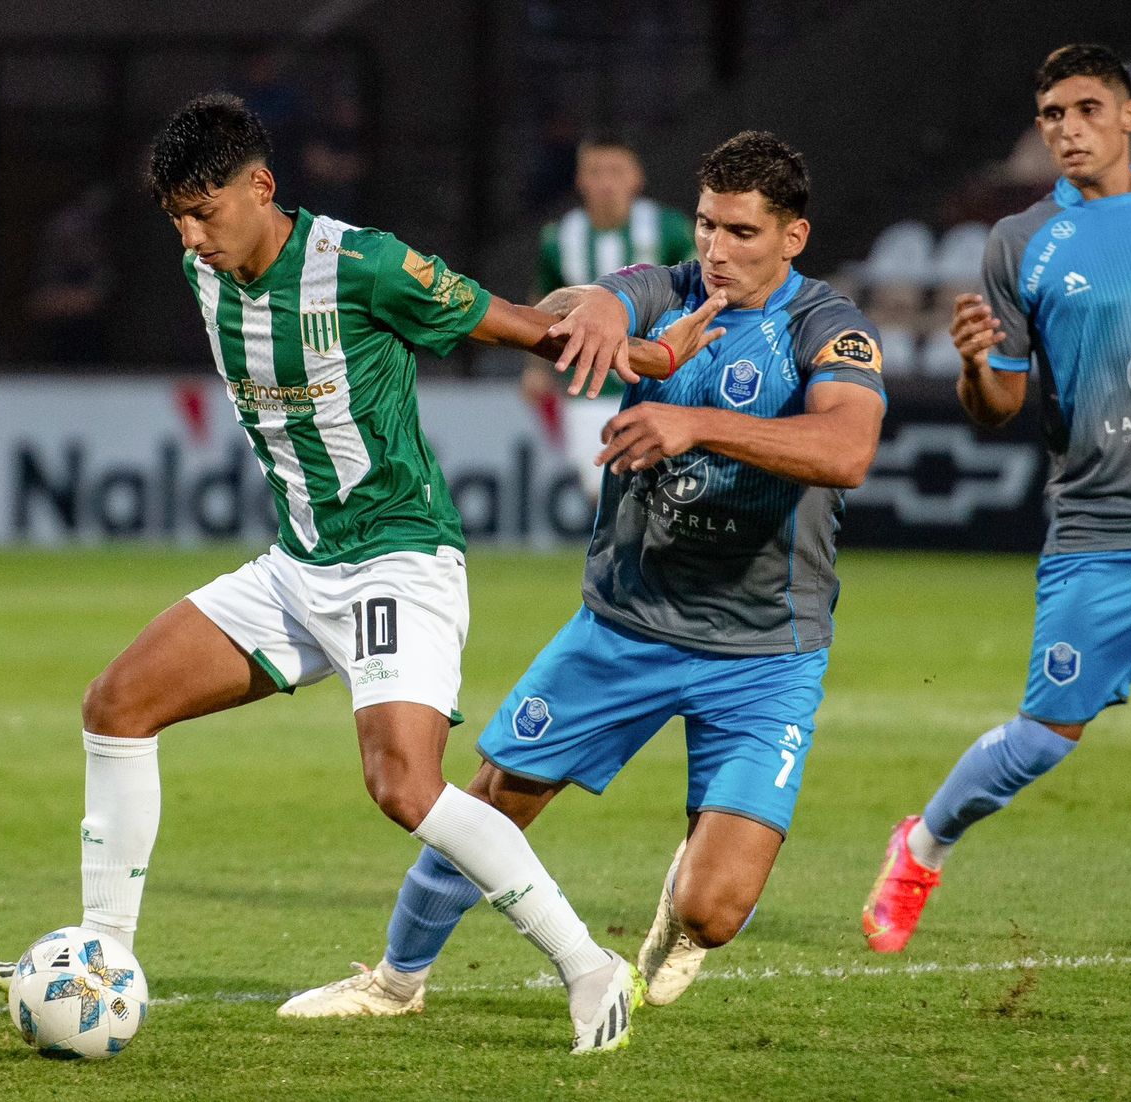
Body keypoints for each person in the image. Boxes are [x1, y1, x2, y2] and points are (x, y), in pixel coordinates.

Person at [0, 92, 724, 1054]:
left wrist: (653, 351)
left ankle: (589, 966)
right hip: (297, 566)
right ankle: (106, 962)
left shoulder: (360, 266)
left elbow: (514, 325)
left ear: (262, 188)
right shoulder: (207, 269)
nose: (194, 238)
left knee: (406, 787)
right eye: (179, 220)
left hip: (396, 559)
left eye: (206, 212)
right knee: (116, 705)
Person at [275, 130, 886, 1019]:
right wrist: (594, 305)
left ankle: (683, 914)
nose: (716, 250)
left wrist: (696, 425)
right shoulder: (666, 287)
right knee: (494, 801)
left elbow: (848, 448)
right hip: (625, 626)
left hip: (766, 652)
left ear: (793, 238)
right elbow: (581, 303)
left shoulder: (827, 327)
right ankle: (396, 981)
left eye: (743, 234)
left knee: (714, 913)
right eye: (708, 226)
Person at [862, 44, 1131, 954]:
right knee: (1045, 739)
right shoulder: (1020, 242)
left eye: (1087, 109)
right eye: (1052, 115)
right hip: (1107, 535)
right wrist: (975, 362)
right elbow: (999, 408)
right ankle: (922, 844)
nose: (1067, 129)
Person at [524, 137, 696, 500]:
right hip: (589, 389)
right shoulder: (559, 237)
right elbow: (543, 301)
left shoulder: (670, 228)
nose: (605, 182)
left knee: (665, 496)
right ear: (579, 180)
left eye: (616, 171)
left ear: (636, 177)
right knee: (602, 494)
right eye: (595, 172)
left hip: (661, 385)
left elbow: (698, 293)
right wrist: (535, 367)